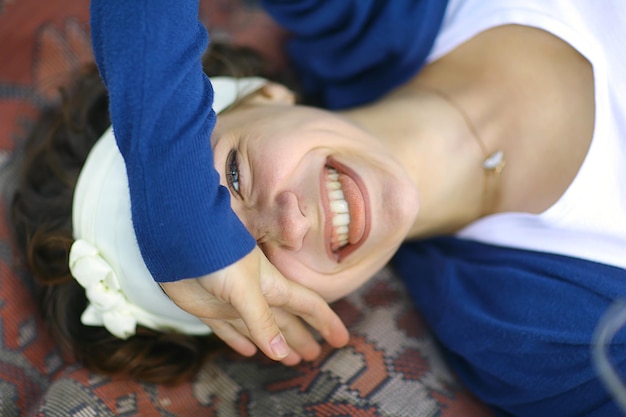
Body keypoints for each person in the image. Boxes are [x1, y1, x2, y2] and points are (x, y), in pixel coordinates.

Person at [10, 0, 626, 415]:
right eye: (257, 269)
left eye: (233, 174)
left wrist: (167, 189)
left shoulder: (362, 12)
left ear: (262, 96)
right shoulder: (531, 340)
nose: (291, 222)